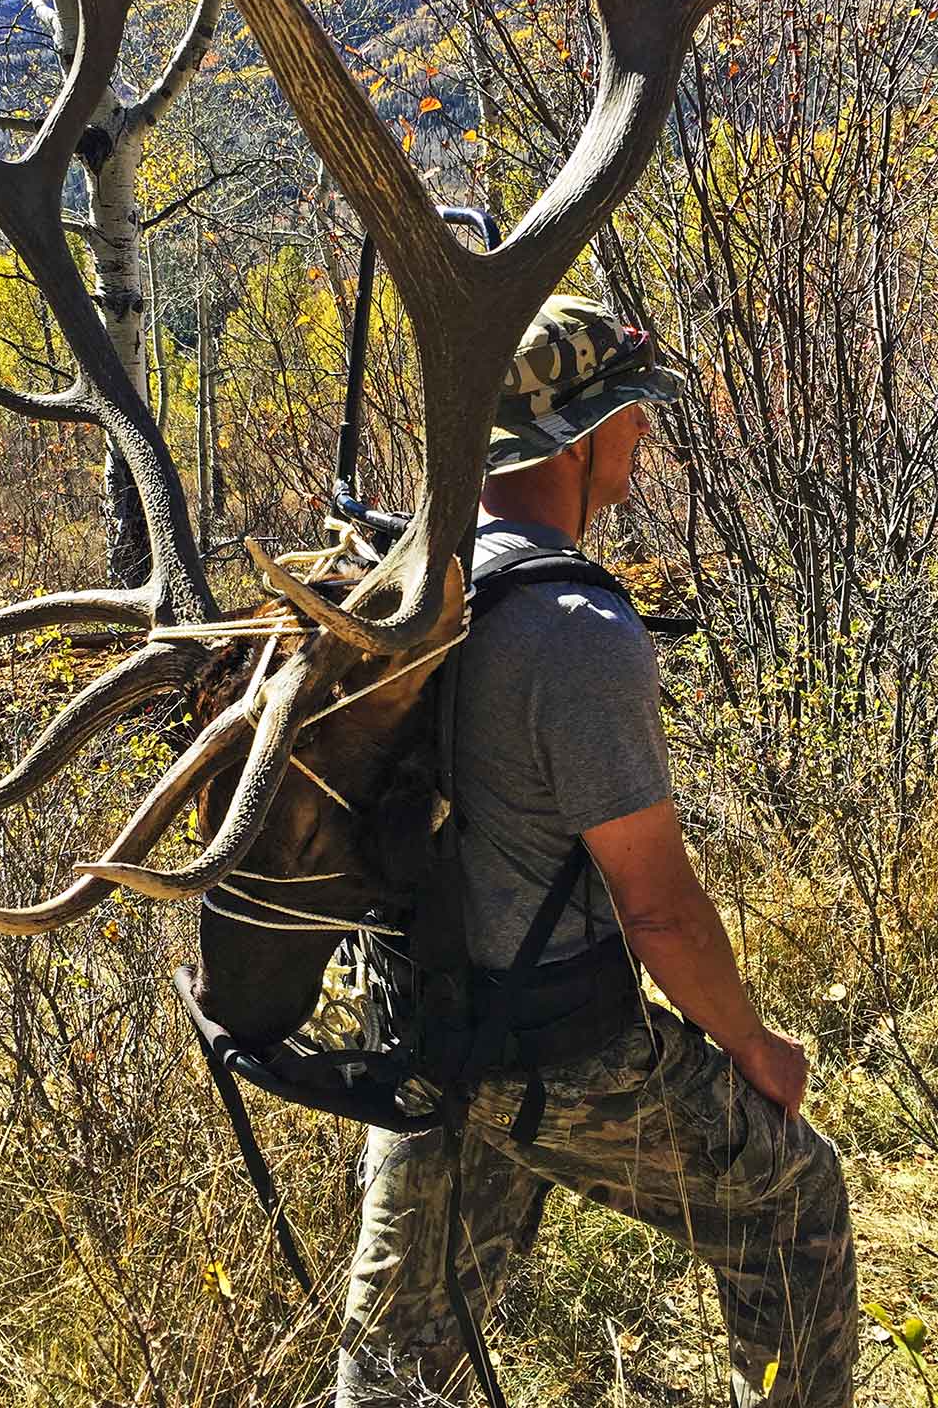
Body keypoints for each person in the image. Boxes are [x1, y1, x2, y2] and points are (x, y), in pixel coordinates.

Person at [337, 296, 857, 1408]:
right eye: (631, 417)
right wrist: (755, 1050)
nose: (643, 439)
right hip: (557, 1056)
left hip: (423, 1034)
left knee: (393, 1365)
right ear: (578, 437)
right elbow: (657, 909)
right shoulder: (575, 631)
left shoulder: (408, 584)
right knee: (797, 1200)